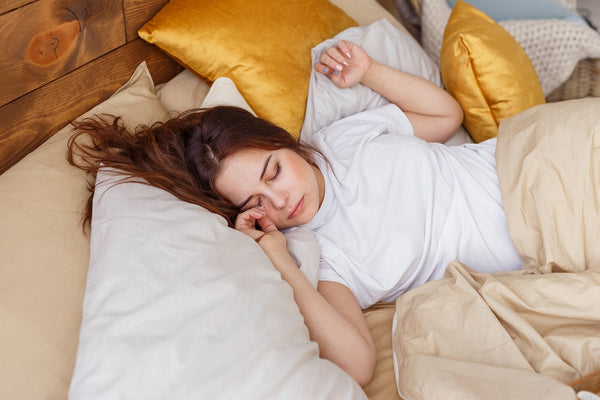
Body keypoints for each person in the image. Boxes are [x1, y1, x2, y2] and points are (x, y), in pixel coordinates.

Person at [69, 40, 523, 386]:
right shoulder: (325, 257)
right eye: (256, 204)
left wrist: (370, 72)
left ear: (284, 142)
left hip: (526, 158)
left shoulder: (342, 140)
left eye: (275, 171)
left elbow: (445, 116)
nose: (280, 201)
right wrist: (281, 261)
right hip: (540, 232)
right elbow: (359, 364)